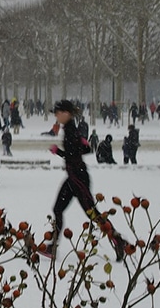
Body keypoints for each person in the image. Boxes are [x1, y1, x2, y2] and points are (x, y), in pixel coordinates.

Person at [44, 99, 127, 261]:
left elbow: (74, 155)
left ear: (66, 114)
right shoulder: (70, 129)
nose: (56, 116)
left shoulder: (71, 131)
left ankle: (118, 240)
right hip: (74, 177)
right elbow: (86, 148)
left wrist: (58, 152)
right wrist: (81, 146)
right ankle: (52, 246)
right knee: (58, 209)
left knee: (93, 215)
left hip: (78, 179)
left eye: (58, 113)